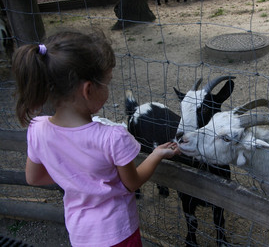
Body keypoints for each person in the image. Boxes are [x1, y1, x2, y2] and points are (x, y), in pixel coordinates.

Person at [12, 29, 180, 247]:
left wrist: (74, 176)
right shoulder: (112, 138)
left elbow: (33, 178)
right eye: (107, 82)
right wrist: (156, 155)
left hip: (80, 234)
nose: (108, 88)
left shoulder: (37, 128)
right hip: (118, 233)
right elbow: (132, 183)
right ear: (88, 89)